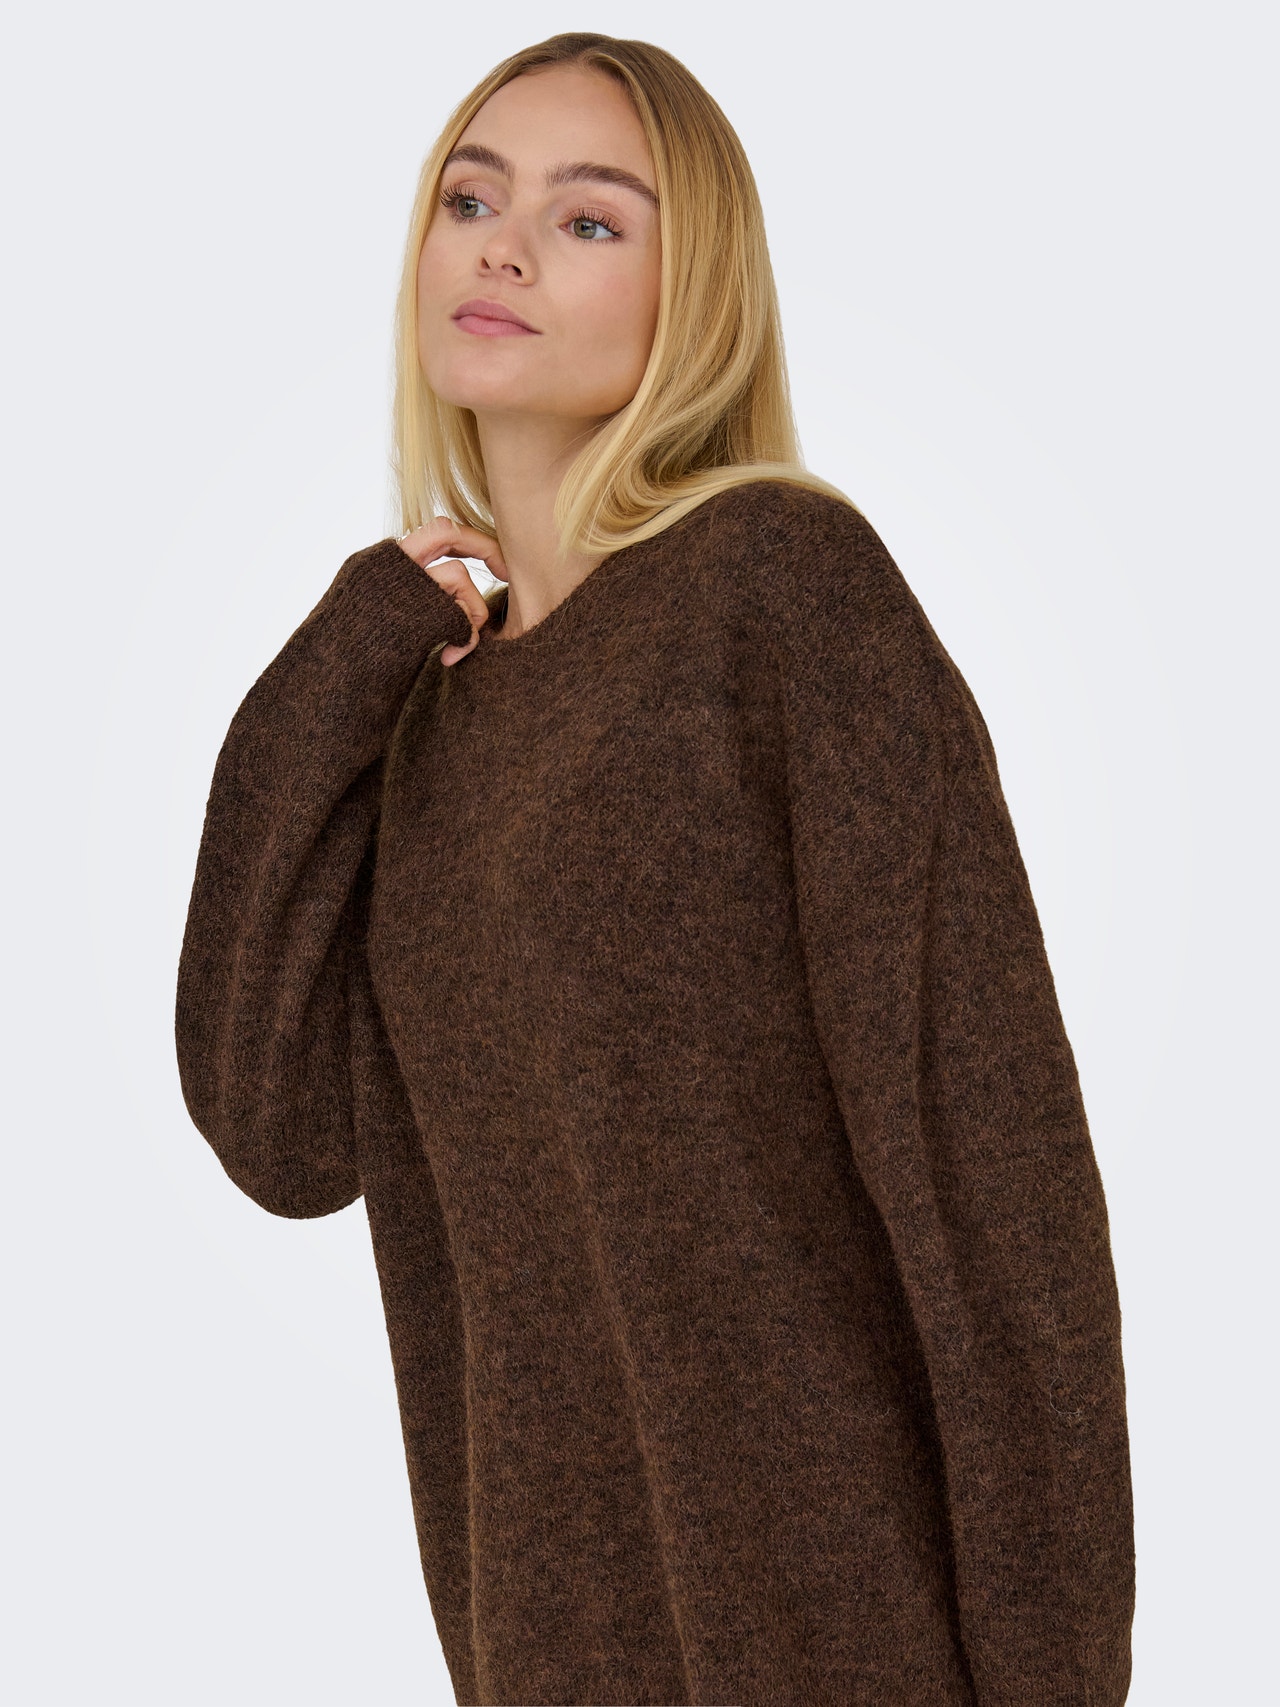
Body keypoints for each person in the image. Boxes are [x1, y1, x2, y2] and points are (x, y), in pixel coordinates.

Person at [175, 31, 1136, 1707]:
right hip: (548, 1648)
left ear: (693, 295)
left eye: (589, 218)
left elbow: (990, 1173)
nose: (504, 247)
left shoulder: (779, 589)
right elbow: (282, 1132)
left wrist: (1056, 1677)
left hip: (848, 1636)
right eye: (470, 199)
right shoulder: (424, 724)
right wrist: (355, 644)